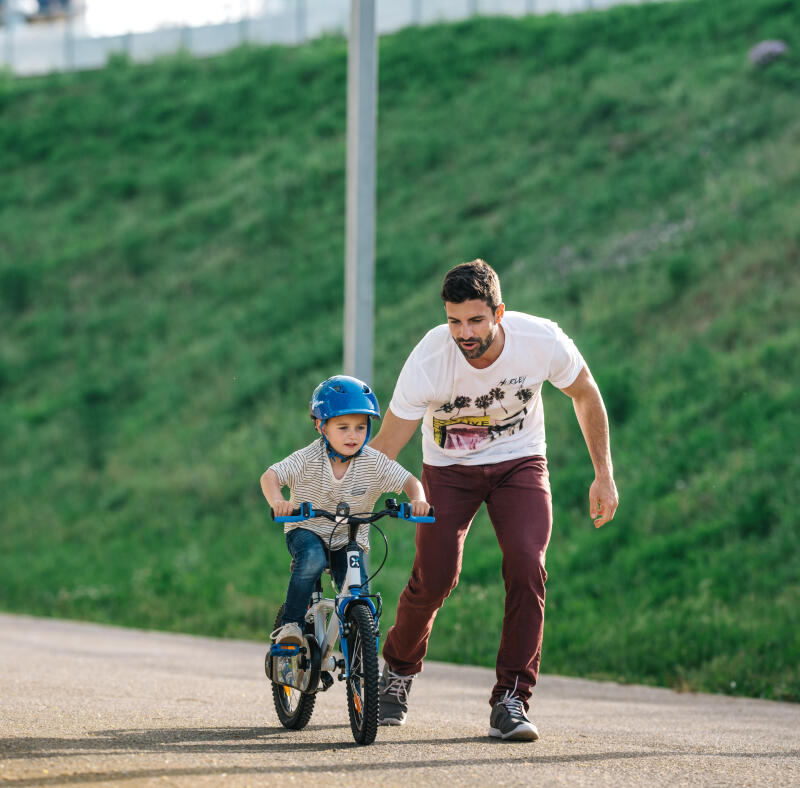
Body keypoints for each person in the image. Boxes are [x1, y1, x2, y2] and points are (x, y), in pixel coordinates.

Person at [370, 259, 619, 741]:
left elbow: (586, 393)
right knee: (435, 576)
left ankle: (511, 700)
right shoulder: (429, 359)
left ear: (499, 313)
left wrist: (603, 474)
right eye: (454, 320)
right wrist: (340, 495)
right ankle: (397, 672)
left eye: (476, 320)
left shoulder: (541, 340)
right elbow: (385, 446)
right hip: (448, 470)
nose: (464, 332)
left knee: (527, 565)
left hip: (519, 463)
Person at [260, 375, 429, 646]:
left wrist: (418, 499)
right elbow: (270, 477)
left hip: (349, 537)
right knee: (312, 559)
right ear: (321, 427)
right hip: (307, 530)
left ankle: (360, 661)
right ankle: (290, 624)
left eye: (360, 428)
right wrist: (278, 501)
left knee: (356, 591)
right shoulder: (307, 458)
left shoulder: (373, 462)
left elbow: (409, 482)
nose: (353, 435)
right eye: (343, 427)